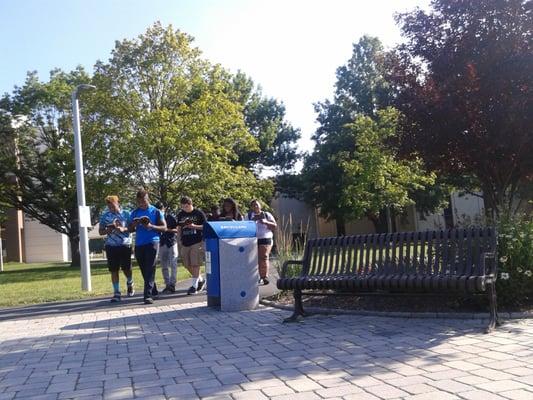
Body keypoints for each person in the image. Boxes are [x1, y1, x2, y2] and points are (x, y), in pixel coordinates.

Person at [128, 190, 167, 304]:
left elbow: (164, 227)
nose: (142, 204)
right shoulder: (134, 213)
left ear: (148, 199)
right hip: (139, 243)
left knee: (150, 267)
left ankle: (147, 295)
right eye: (139, 202)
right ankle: (154, 290)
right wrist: (134, 225)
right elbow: (129, 229)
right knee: (144, 269)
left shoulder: (155, 211)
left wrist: (151, 226)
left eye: (143, 201)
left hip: (152, 242)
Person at [99, 195, 134, 302]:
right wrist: (107, 231)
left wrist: (124, 229)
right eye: (109, 207)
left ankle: (130, 282)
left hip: (125, 245)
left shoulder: (127, 213)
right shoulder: (105, 216)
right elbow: (101, 231)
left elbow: (133, 228)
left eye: (113, 206)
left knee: (126, 268)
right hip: (111, 246)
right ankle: (116, 293)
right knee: (114, 270)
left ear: (118, 203)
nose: (111, 209)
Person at [176, 196, 207, 295]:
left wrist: (194, 226)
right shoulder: (181, 214)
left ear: (190, 204)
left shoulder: (198, 213)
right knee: (186, 264)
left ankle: (194, 286)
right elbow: (179, 228)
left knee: (195, 264)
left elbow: (205, 226)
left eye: (185, 206)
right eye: (182, 207)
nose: (184, 209)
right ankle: (200, 280)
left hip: (197, 241)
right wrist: (179, 239)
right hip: (185, 242)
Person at [247, 199, 277, 285]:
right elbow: (244, 227)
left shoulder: (267, 214)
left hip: (265, 238)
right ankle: (255, 277)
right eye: (253, 205)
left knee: (263, 257)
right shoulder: (249, 216)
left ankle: (264, 277)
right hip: (253, 239)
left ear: (260, 205)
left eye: (257, 204)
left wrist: (265, 222)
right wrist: (251, 222)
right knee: (253, 259)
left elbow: (274, 226)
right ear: (251, 207)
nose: (255, 206)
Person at [155, 201, 179, 294]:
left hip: (171, 242)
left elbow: (177, 230)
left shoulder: (170, 217)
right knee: (164, 265)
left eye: (161, 209)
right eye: (158, 209)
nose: (160, 211)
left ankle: (172, 284)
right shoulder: (156, 219)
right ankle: (167, 284)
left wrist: (167, 229)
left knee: (173, 264)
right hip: (161, 243)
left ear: (164, 209)